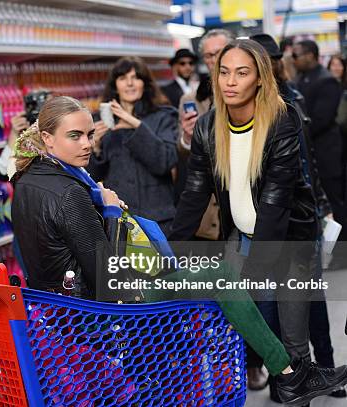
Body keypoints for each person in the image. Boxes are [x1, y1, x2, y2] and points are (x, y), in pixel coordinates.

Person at [12, 95, 347, 406]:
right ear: (46, 138)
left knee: (207, 274)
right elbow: (110, 276)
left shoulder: (28, 181)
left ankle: (287, 373)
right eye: (75, 136)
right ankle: (288, 374)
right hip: (100, 314)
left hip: (60, 311)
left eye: (89, 134)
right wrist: (111, 210)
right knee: (221, 276)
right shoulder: (71, 193)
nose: (86, 144)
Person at [169, 37, 347, 404]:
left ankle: (301, 389)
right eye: (224, 72)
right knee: (259, 328)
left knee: (293, 337)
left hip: (291, 238)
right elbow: (194, 195)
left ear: (261, 79)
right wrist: (171, 255)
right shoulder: (207, 127)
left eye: (242, 72)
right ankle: (290, 381)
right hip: (243, 235)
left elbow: (276, 200)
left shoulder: (282, 121)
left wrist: (255, 271)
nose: (230, 81)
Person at [252, 33, 346, 401]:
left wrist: (322, 204)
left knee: (314, 303)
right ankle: (288, 380)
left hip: (304, 218)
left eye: (273, 58)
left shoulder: (295, 97)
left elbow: (309, 160)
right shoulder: (246, 108)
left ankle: (326, 371)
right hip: (267, 226)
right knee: (273, 309)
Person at [87, 57, 178, 235]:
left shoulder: (163, 116)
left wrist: (136, 125)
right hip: (120, 218)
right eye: (122, 78)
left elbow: (165, 162)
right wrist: (94, 147)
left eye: (135, 78)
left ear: (145, 83)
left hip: (158, 219)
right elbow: (94, 178)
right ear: (115, 85)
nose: (129, 84)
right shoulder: (100, 121)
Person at [174, 29, 234, 241]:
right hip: (207, 208)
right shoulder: (190, 99)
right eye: (209, 55)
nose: (214, 60)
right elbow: (182, 152)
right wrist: (188, 139)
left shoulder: (246, 97)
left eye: (220, 52)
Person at [294, 40, 347, 254]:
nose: (294, 60)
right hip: (312, 153)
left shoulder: (326, 81)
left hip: (327, 154)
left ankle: (341, 251)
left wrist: (297, 132)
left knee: (334, 202)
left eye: (297, 55)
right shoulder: (300, 79)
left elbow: (320, 119)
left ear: (310, 55)